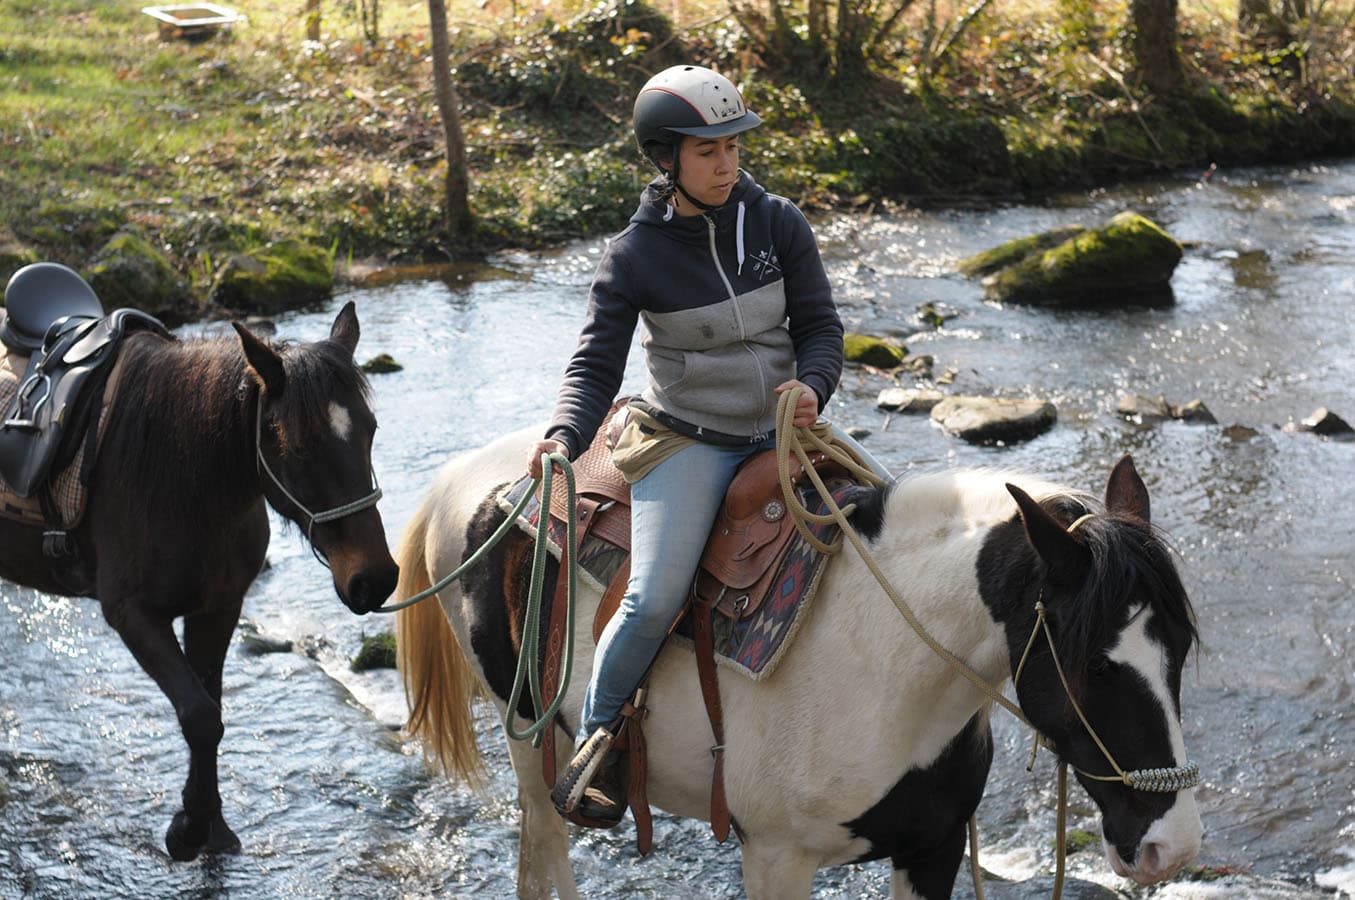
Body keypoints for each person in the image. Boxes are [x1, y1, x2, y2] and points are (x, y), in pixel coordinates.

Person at [525, 63, 844, 827]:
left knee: (890, 536)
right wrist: (564, 435)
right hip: (687, 441)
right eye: (708, 151)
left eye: (733, 146)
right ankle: (597, 745)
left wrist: (813, 387)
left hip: (783, 431)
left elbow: (820, 328)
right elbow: (595, 364)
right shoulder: (633, 257)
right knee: (653, 595)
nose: (727, 163)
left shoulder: (777, 222)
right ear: (666, 158)